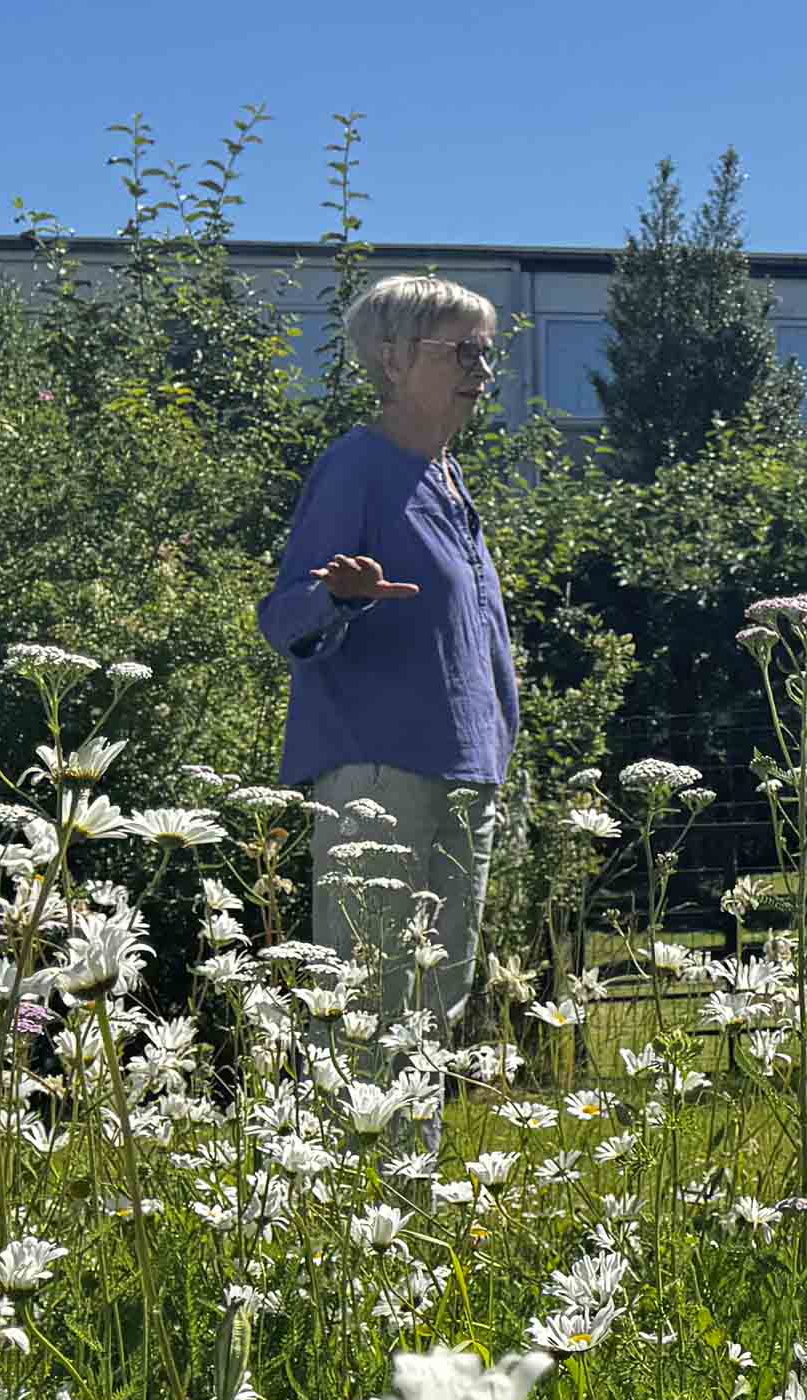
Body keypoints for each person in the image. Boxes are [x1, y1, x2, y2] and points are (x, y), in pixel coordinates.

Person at [258, 274, 521, 1070]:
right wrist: (339, 596)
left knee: (438, 1007)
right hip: (378, 772)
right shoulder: (358, 469)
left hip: (467, 776)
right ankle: (342, 1185)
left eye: (487, 350)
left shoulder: (446, 477)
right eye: (461, 350)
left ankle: (407, 1192)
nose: (482, 369)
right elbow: (285, 614)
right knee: (366, 1004)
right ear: (393, 360)